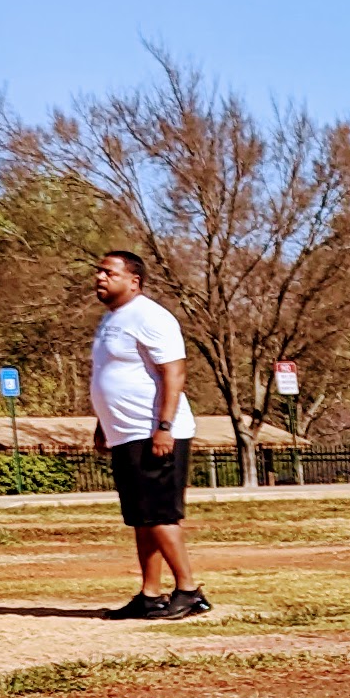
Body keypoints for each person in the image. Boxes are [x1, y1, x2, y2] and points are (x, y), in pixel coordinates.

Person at [88, 250, 208, 621]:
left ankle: (189, 592)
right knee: (141, 517)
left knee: (160, 515)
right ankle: (150, 595)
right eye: (98, 272)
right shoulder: (112, 321)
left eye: (108, 272)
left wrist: (165, 427)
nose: (100, 278)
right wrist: (102, 424)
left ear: (134, 281)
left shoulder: (152, 317)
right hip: (125, 433)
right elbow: (110, 376)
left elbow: (174, 373)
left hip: (154, 431)